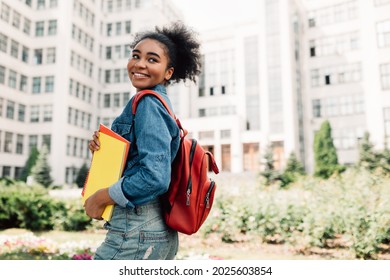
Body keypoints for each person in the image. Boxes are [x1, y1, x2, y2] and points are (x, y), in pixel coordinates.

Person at [84, 21, 201, 260]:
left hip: (137, 229)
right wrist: (104, 149)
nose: (139, 64)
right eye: (136, 56)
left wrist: (101, 197)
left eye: (152, 59)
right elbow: (141, 161)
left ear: (169, 72)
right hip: (153, 229)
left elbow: (154, 177)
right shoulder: (159, 105)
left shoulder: (148, 104)